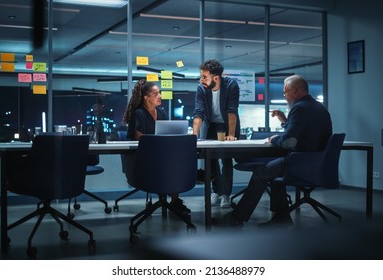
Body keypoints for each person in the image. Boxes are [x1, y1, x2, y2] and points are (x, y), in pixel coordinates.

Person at [219, 74, 333, 227]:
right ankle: (281, 217)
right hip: (316, 162)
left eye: (285, 92)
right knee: (273, 170)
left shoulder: (299, 108)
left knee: (262, 172)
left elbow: (287, 142)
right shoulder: (318, 107)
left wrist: (273, 139)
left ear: (294, 91)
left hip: (300, 162)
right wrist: (285, 121)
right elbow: (301, 133)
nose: (285, 96)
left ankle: (237, 217)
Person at [123, 79, 191, 214]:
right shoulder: (138, 114)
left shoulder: (161, 112)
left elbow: (166, 132)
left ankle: (174, 201)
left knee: (175, 162)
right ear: (146, 98)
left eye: (159, 93)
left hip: (161, 154)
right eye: (155, 94)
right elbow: (139, 138)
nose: (160, 96)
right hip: (144, 158)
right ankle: (173, 200)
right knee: (171, 164)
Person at [192, 59, 241, 208]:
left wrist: (231, 134)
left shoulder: (231, 85)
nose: (201, 80)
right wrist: (194, 135)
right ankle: (216, 192)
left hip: (228, 125)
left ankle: (226, 194)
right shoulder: (202, 89)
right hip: (211, 125)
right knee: (210, 159)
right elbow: (199, 113)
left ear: (216, 78)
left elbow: (232, 111)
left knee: (226, 160)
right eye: (201, 76)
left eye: (204, 77)